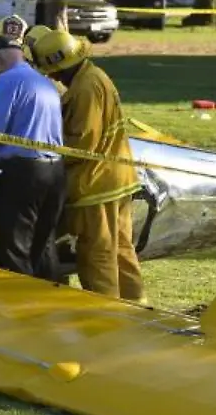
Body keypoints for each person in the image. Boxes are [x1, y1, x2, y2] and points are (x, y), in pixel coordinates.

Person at [32, 30, 144, 302]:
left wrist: (44, 150)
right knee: (121, 251)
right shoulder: (94, 76)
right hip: (117, 179)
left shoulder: (85, 89)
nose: (53, 77)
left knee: (98, 254)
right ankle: (136, 306)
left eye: (54, 71)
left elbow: (83, 144)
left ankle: (107, 314)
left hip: (96, 185)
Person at [0, 36, 66, 278]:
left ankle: (18, 305)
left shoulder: (6, 81)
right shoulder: (45, 82)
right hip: (56, 170)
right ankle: (49, 302)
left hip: (25, 173)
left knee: (14, 247)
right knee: (44, 245)